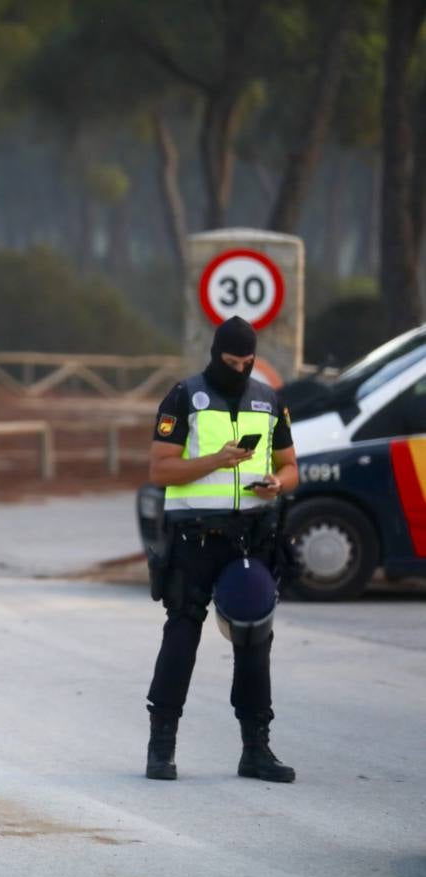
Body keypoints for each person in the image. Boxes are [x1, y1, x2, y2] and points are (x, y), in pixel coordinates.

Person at [144, 315, 299, 783]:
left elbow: (291, 466)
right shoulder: (184, 397)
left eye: (247, 362)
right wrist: (218, 459)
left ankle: (256, 749)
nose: (239, 369)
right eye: (231, 362)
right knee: (182, 635)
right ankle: (161, 749)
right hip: (194, 538)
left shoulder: (269, 402)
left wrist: (277, 483)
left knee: (254, 636)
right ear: (216, 355)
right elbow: (161, 470)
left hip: (251, 537)